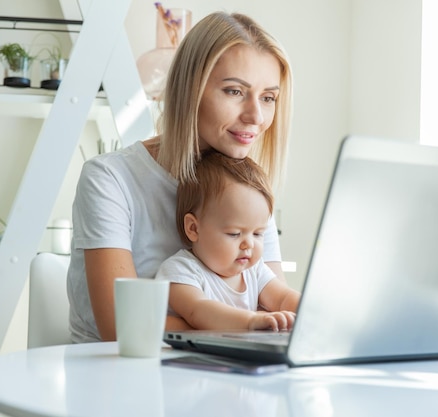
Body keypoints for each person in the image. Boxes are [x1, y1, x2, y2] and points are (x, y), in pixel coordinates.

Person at [67, 11, 295, 343]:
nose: (256, 116)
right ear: (190, 89)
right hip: (116, 378)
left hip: (211, 377)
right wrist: (243, 325)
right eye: (234, 91)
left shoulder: (247, 192)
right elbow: (123, 327)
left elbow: (274, 310)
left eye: (268, 98)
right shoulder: (110, 179)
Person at [155, 150, 300, 331]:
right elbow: (198, 311)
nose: (249, 244)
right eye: (234, 233)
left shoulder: (254, 270)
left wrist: (308, 311)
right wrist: (250, 321)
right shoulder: (180, 270)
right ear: (193, 228)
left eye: (257, 234)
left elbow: (282, 298)